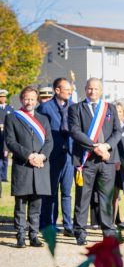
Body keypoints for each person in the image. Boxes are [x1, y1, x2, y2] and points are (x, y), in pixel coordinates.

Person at [68, 78, 122, 245]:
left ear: (101, 90)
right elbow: (75, 131)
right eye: (90, 88)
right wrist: (95, 147)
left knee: (106, 197)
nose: (93, 92)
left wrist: (106, 146)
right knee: (83, 197)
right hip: (86, 161)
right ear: (85, 89)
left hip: (107, 160)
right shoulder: (75, 108)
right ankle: (80, 231)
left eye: (96, 89)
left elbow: (117, 131)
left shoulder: (110, 108)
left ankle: (108, 231)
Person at [4, 87, 53, 247]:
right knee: (20, 205)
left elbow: (49, 141)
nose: (29, 102)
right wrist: (29, 156)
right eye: (26, 99)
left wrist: (41, 156)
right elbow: (11, 142)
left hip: (40, 166)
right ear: (21, 99)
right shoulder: (12, 118)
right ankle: (20, 235)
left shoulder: (43, 119)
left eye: (32, 99)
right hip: (23, 166)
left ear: (37, 99)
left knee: (36, 204)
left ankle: (34, 235)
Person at [37, 77, 74, 236]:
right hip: (51, 156)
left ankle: (68, 225)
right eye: (67, 89)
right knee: (50, 192)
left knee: (66, 192)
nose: (70, 92)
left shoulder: (74, 107)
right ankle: (47, 224)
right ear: (57, 90)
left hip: (69, 156)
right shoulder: (45, 107)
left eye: (70, 89)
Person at [113, 102, 124, 229]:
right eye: (115, 111)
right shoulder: (108, 127)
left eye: (119, 111)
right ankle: (111, 222)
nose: (117, 113)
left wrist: (121, 160)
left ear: (123, 114)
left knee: (116, 195)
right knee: (110, 195)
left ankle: (116, 220)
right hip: (109, 164)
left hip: (121, 166)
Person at [0, 88, 13, 183]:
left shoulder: (10, 108)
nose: (3, 98)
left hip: (5, 136)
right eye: (1, 97)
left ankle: (4, 176)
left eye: (4, 97)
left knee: (5, 157)